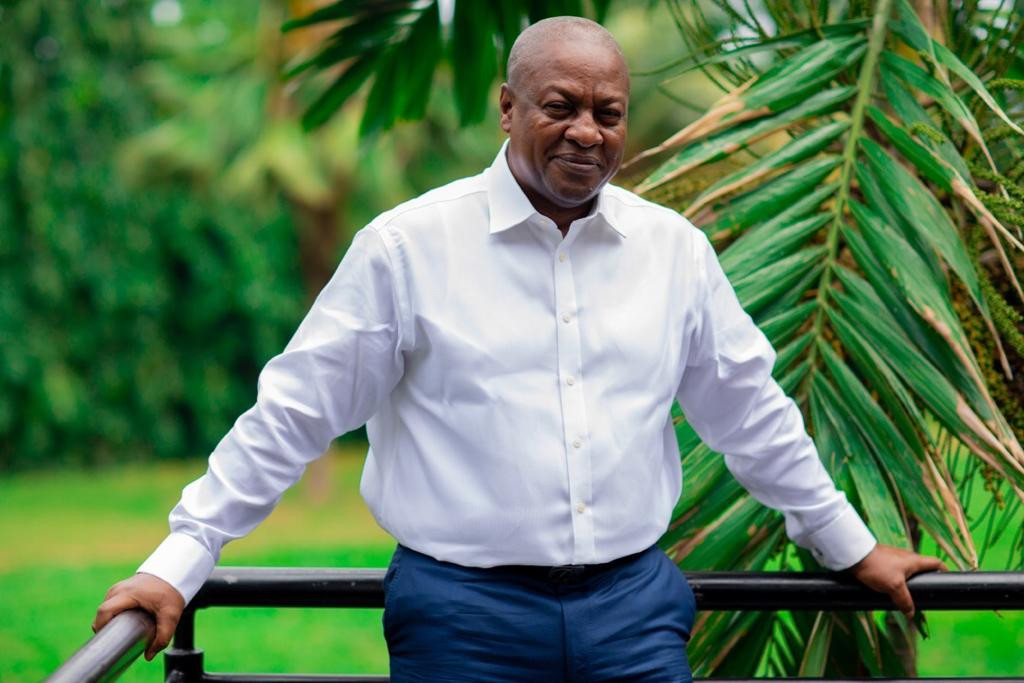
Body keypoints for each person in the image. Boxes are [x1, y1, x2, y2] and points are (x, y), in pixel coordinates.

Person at [93, 16, 946, 682]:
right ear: (507, 108)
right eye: (560, 106)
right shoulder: (407, 248)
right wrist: (181, 560)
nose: (587, 132)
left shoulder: (673, 251)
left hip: (634, 611)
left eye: (608, 113)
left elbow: (750, 412)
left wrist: (850, 545)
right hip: (463, 618)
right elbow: (293, 413)